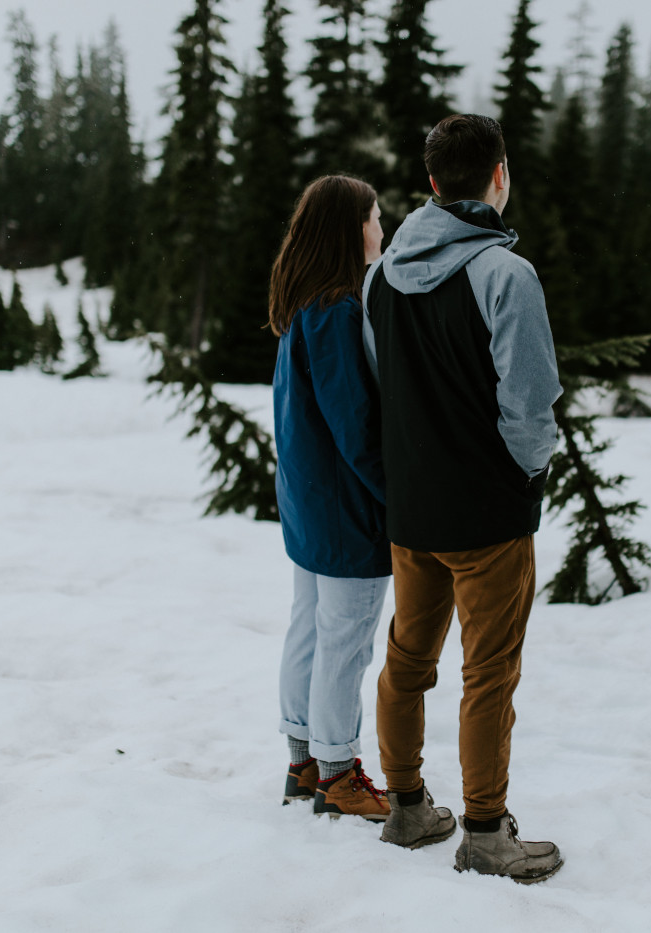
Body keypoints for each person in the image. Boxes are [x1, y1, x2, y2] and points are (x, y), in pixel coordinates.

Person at [362, 114, 564, 883]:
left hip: (412, 509)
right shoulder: (506, 276)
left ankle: (406, 805)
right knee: (489, 672)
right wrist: (526, 475)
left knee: (407, 659)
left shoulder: (382, 275)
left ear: (433, 183)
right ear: (499, 177)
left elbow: (387, 383)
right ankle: (484, 830)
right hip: (486, 514)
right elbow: (530, 400)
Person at [271, 175, 392, 821]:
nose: (382, 228)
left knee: (310, 630)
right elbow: (357, 426)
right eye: (375, 217)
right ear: (351, 229)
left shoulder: (303, 305)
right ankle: (338, 772)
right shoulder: (340, 309)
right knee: (344, 639)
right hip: (347, 512)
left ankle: (304, 757)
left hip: (311, 505)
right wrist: (397, 501)